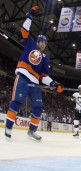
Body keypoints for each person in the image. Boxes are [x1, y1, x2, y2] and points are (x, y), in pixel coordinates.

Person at [4, 6, 63, 140]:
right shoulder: (29, 44)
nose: (41, 44)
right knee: (16, 102)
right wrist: (30, 16)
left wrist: (54, 83)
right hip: (23, 78)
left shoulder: (45, 59)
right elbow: (24, 30)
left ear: (46, 45)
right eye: (40, 41)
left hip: (35, 84)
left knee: (38, 107)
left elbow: (44, 76)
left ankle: (31, 131)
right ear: (37, 42)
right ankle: (8, 127)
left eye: (44, 42)